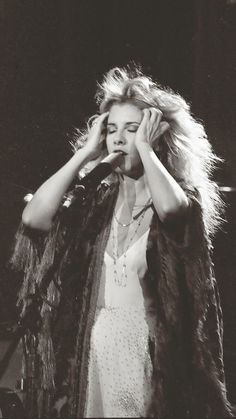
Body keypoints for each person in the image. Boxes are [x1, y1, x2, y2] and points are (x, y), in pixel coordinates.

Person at [11, 66, 233, 418]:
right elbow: (33, 218)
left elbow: (174, 211)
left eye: (132, 129)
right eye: (112, 129)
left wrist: (145, 147)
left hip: (149, 360)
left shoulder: (176, 198)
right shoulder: (94, 202)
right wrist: (84, 153)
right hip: (93, 354)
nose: (118, 138)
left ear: (156, 135)